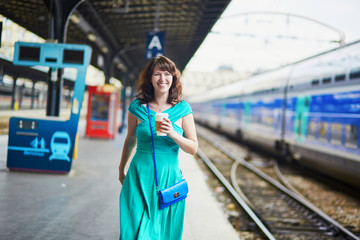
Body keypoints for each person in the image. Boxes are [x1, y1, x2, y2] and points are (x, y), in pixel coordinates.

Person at [118, 56, 198, 240]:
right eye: (157, 74)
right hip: (139, 176)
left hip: (169, 179)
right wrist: (121, 168)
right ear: (150, 79)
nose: (162, 79)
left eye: (167, 74)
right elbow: (130, 140)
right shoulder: (137, 107)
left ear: (173, 78)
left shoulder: (183, 109)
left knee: (164, 233)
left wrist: (173, 133)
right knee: (133, 231)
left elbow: (193, 148)